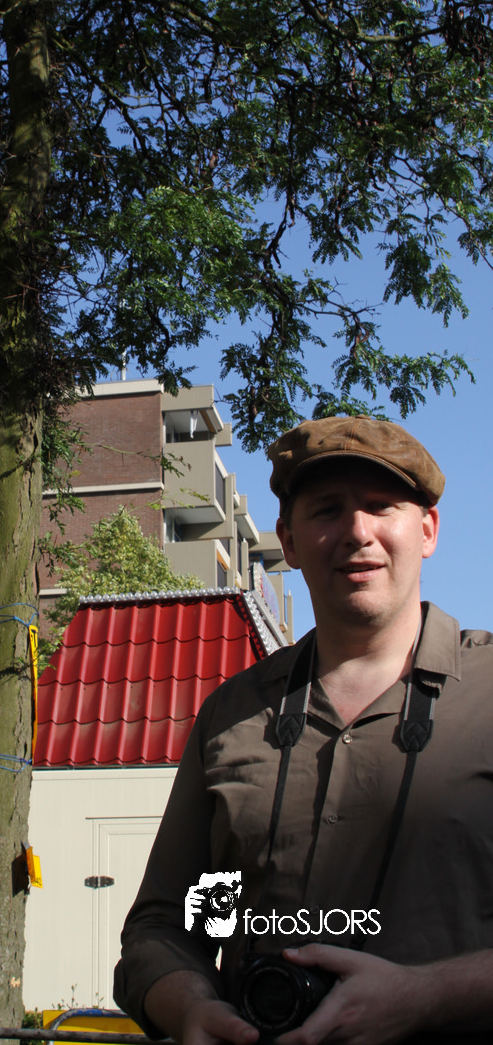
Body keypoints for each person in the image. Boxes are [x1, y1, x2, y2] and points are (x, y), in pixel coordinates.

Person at [113, 416, 493, 1045]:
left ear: (427, 529)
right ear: (288, 541)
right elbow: (168, 927)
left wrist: (426, 996)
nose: (357, 532)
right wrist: (189, 1007)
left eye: (381, 506)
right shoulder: (230, 716)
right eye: (327, 511)